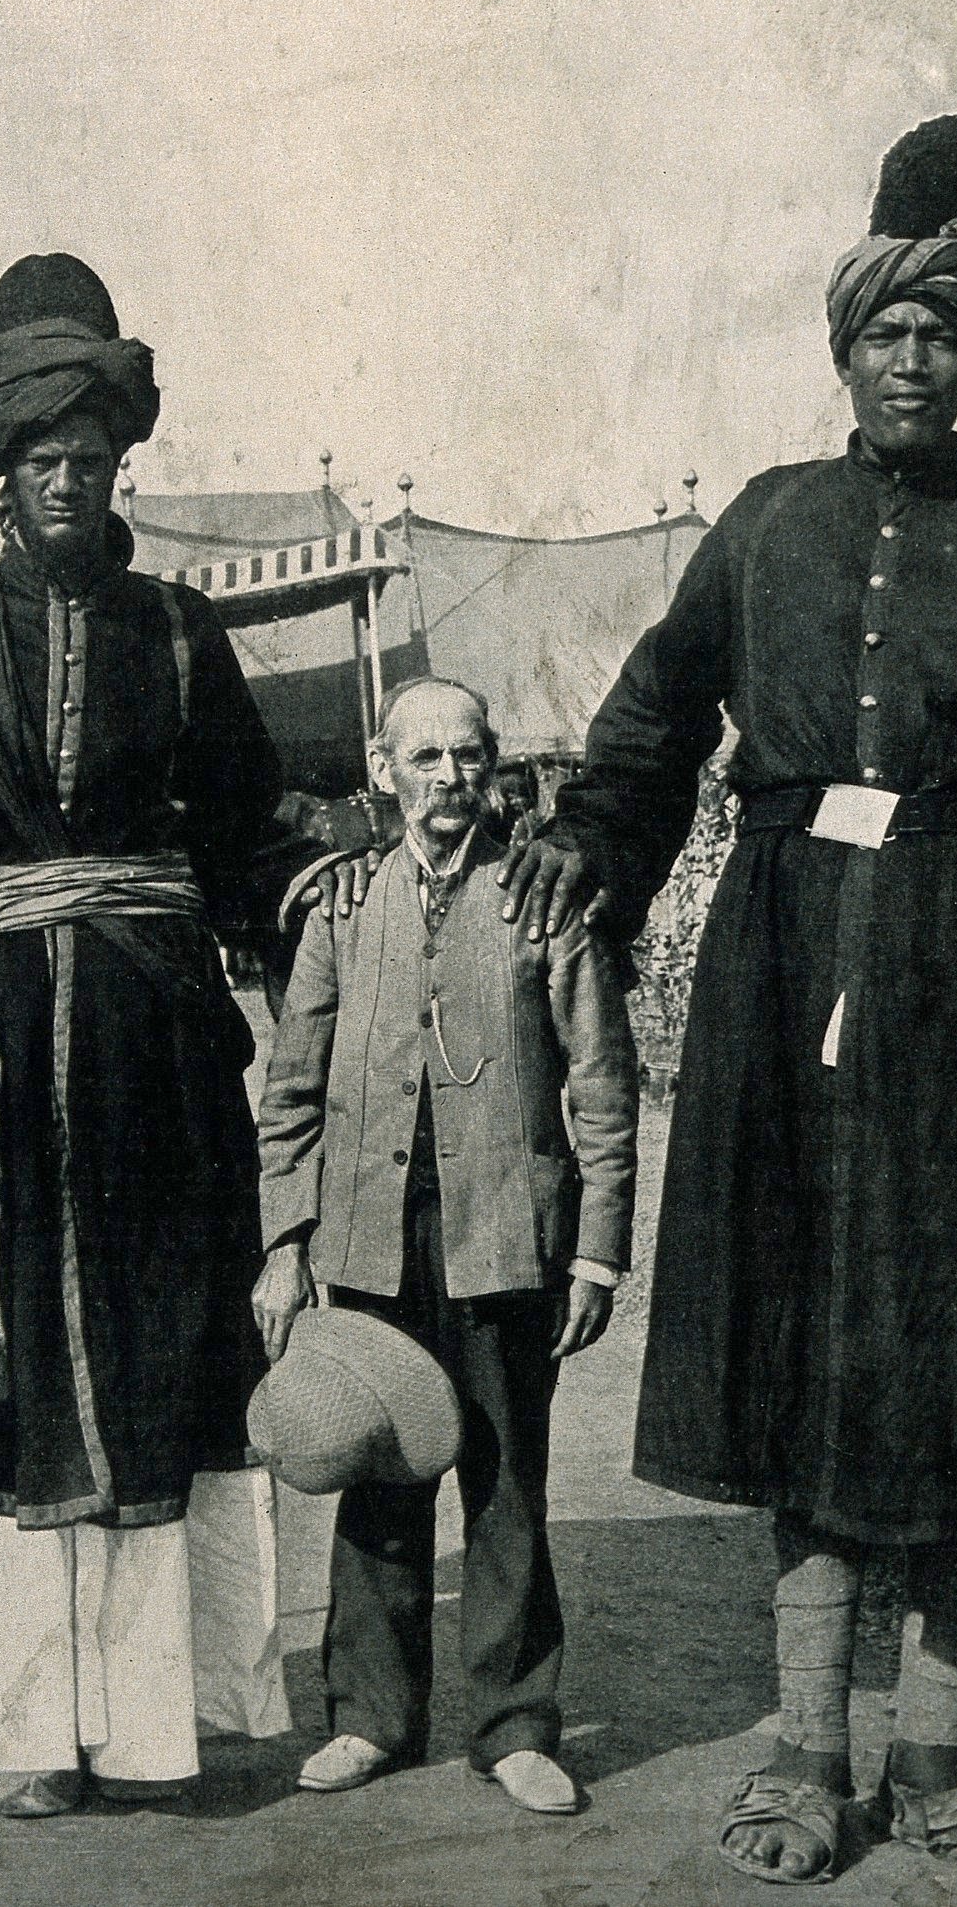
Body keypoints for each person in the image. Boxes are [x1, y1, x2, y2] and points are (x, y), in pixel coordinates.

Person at [494, 118, 957, 1882]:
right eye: (888, 331)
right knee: (809, 1357)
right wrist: (595, 842)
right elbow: (653, 724)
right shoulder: (762, 530)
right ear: (846, 341)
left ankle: (942, 1755)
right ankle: (812, 1752)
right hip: (789, 958)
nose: (912, 359)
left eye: (945, 338)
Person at [0, 254, 321, 1816]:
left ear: (120, 466)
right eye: (43, 460)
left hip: (158, 1053)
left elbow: (243, 836)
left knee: (161, 1362)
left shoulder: (175, 630)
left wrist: (332, 916)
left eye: (94, 456)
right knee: (10, 1378)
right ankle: (31, 1734)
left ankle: (158, 1725)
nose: (71, 480)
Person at [251, 676, 639, 1815]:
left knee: (506, 1480)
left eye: (467, 758)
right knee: (376, 1472)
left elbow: (606, 1086)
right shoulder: (335, 909)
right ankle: (370, 1715)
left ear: (495, 768)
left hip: (506, 1240)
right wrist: (287, 1238)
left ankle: (516, 1725)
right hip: (369, 1244)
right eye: (423, 760)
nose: (448, 782)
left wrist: (598, 1252)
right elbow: (292, 1094)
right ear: (382, 773)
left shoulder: (545, 905)